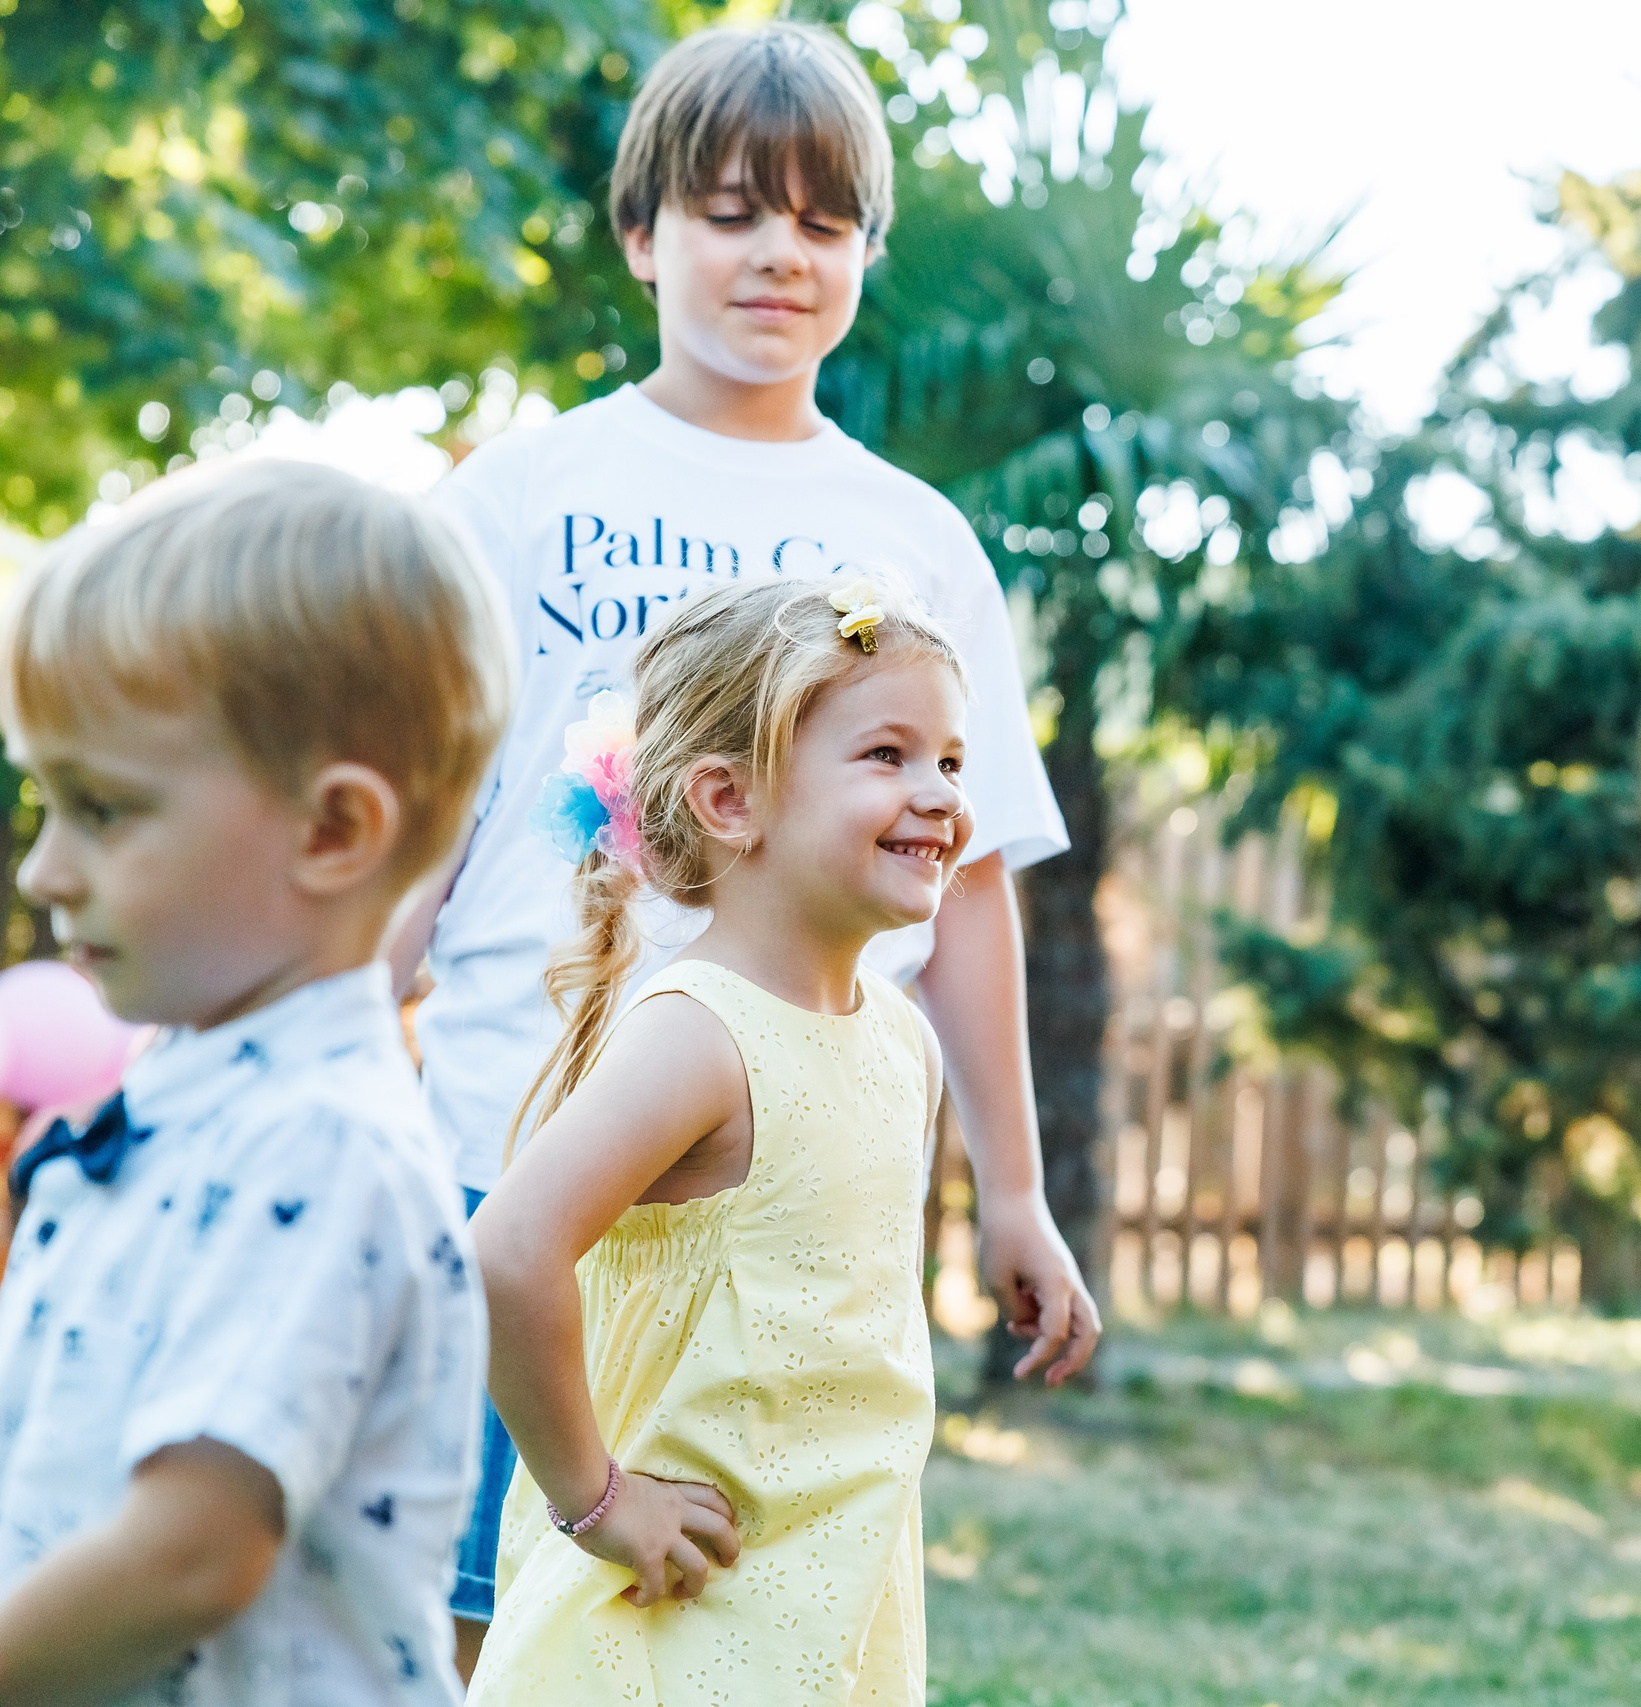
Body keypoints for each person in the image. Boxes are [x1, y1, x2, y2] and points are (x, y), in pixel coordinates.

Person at [389, 20, 1100, 1666]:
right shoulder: (521, 493)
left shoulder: (916, 540)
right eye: (729, 209)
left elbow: (973, 881)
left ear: (863, 251)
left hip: (790, 1185)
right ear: (640, 232)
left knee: (742, 1620)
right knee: (492, 1613)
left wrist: (1015, 1190)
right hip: (520, 1134)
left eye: (824, 218)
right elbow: (414, 821)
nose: (779, 250)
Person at [0, 461, 512, 1703]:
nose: (44, 872)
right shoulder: (195, 1098)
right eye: (44, 805)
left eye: (104, 811)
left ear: (334, 832)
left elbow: (189, 1557)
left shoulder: (319, 1144)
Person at [462, 577, 965, 1706]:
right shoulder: (699, 1036)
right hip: (669, 1617)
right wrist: (596, 1501)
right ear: (729, 799)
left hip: (825, 1594)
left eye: (950, 760)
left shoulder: (898, 1037)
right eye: (886, 754)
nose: (936, 793)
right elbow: (507, 1254)